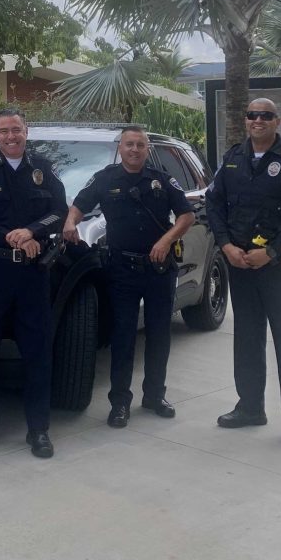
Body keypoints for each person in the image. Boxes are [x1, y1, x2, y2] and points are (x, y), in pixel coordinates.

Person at [63, 125, 194, 429]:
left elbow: (186, 215)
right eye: (129, 144)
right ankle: (120, 402)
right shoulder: (106, 178)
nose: (134, 150)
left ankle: (154, 396)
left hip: (158, 270)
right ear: (120, 148)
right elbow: (79, 205)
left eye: (140, 145)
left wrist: (165, 241)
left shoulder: (162, 180)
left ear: (147, 149)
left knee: (160, 335)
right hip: (121, 270)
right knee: (123, 337)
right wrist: (70, 222)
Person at [206, 98, 281, 450]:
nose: (258, 120)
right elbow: (214, 202)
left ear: (277, 121)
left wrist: (270, 252)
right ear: (246, 120)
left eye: (266, 116)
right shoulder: (233, 159)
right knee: (247, 340)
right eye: (253, 115)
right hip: (241, 266)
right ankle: (250, 407)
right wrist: (225, 245)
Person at [0, 108, 68, 459]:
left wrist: (33, 231)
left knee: (37, 352)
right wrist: (10, 236)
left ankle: (38, 430)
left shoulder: (44, 168)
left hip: (32, 274)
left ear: (27, 131)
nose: (11, 136)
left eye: (16, 130)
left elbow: (60, 211)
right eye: (4, 131)